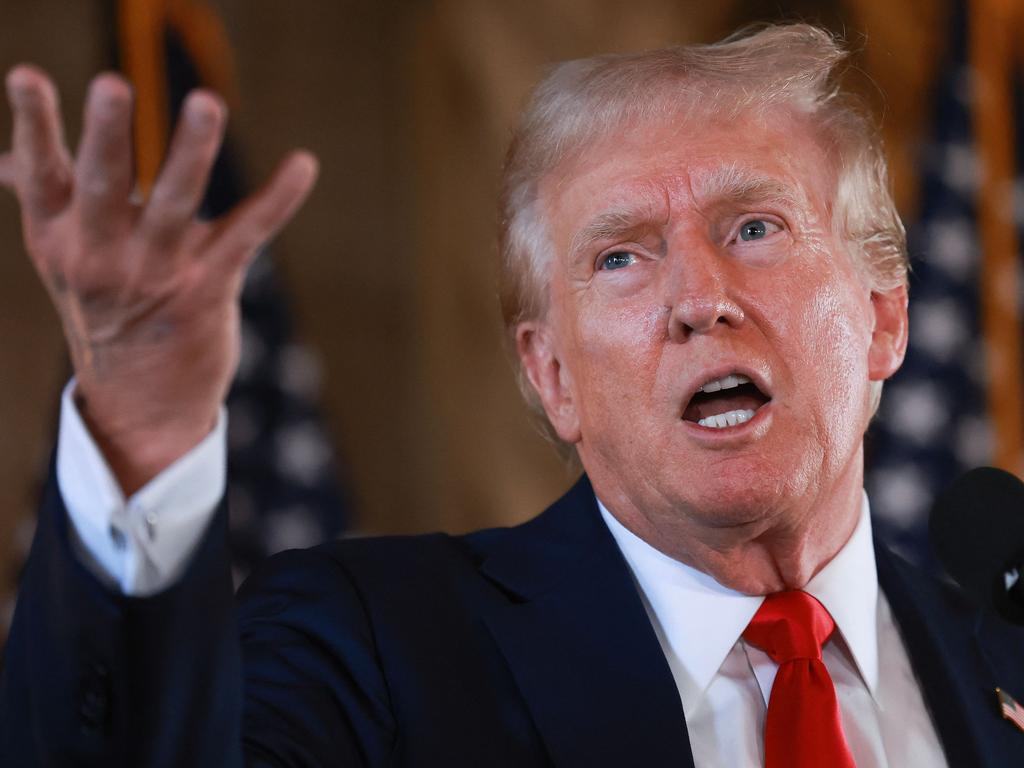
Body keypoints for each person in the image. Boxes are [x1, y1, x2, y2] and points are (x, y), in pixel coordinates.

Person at [1, 22, 1021, 768]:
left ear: (886, 317)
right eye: (620, 256)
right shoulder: (371, 651)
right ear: (551, 376)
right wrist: (139, 433)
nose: (699, 299)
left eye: (754, 228)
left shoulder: (993, 667)